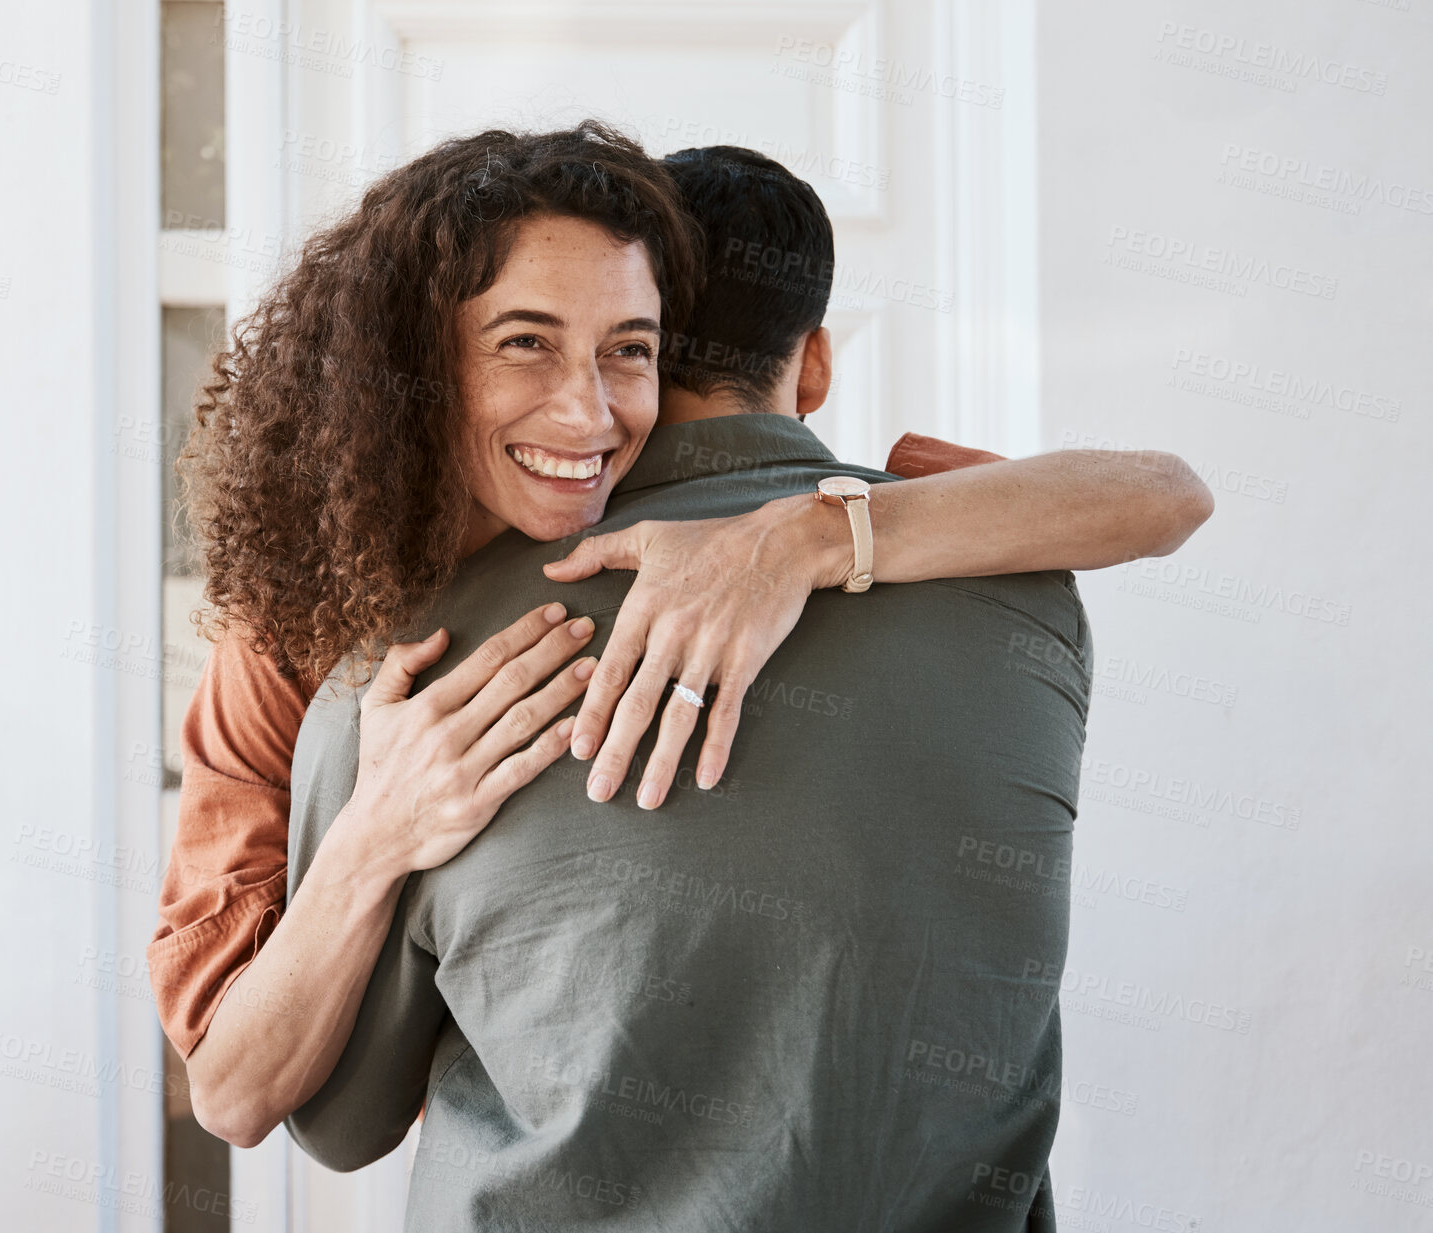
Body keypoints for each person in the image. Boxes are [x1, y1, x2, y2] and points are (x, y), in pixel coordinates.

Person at [149, 125, 1212, 1154]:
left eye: (628, 350)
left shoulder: (880, 528)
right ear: (417, 364)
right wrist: (374, 838)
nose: (586, 412)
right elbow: (238, 1092)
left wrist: (801, 540)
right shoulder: (314, 638)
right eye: (525, 342)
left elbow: (1166, 495)